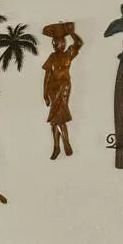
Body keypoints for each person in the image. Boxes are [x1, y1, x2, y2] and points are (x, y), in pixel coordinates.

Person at [42, 21, 82, 159]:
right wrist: (45, 94)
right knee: (56, 119)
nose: (59, 44)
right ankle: (61, 145)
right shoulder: (51, 57)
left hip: (64, 87)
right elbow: (47, 77)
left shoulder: (68, 54)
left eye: (61, 41)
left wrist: (71, 32)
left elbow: (79, 43)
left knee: (58, 116)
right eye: (56, 42)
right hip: (52, 89)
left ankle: (61, 145)